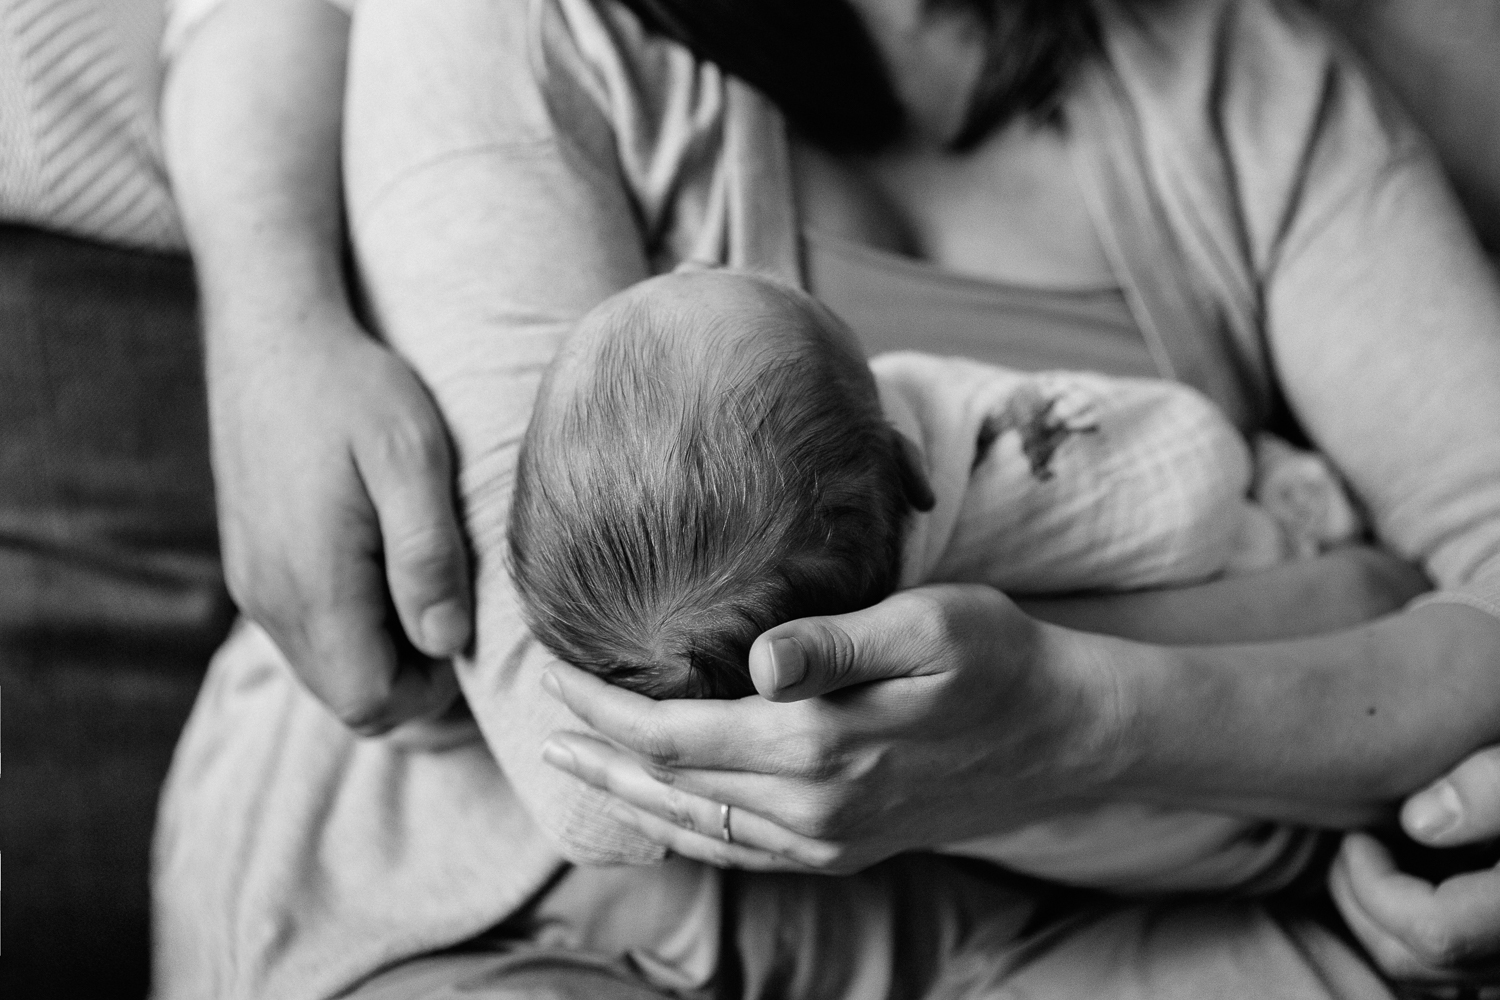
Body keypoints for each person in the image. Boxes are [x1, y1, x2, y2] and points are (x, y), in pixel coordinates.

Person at [154, 0, 1500, 996]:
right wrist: (1338, 618)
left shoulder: (1247, 84)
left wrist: (1082, 712)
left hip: (1119, 942)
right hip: (541, 913)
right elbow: (598, 759)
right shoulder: (531, 24)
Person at [511, 267, 1356, 701]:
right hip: (1255, 593)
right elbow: (1189, 466)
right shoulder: (956, 452)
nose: (705, 257)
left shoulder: (795, 641)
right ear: (914, 469)